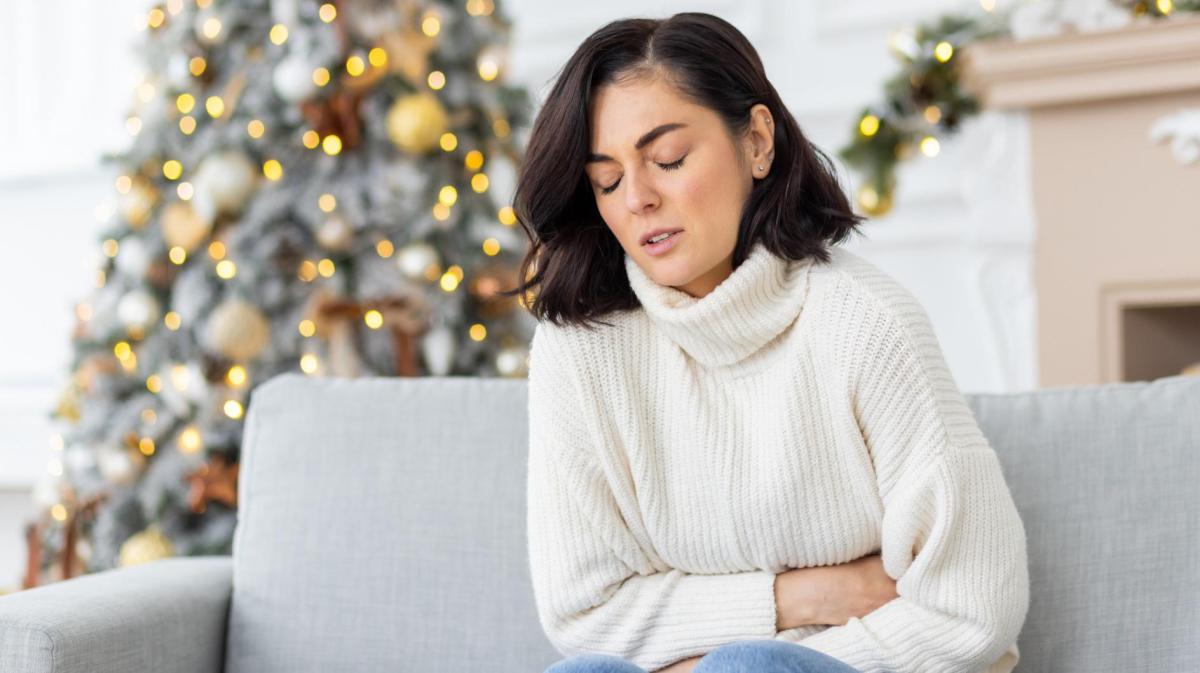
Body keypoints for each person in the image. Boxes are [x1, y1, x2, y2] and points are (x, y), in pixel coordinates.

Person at [501, 12, 1029, 673]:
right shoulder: (581, 348)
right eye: (606, 179)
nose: (637, 198)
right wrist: (803, 595)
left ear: (756, 142)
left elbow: (972, 607)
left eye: (667, 160)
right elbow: (584, 616)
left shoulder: (864, 322)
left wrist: (753, 657)